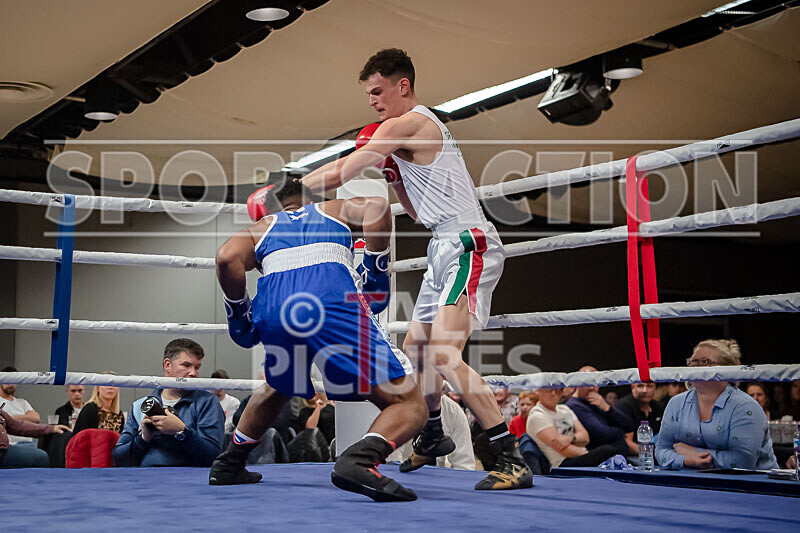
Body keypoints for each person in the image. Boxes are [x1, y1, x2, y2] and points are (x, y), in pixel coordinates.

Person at [300, 48, 531, 491]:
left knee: (443, 354)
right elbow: (414, 211)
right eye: (368, 94)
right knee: (416, 346)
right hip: (441, 243)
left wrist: (289, 189)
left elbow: (346, 168)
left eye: (377, 91)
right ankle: (432, 432)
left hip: (468, 243)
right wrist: (394, 172)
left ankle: (509, 455)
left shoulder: (410, 122)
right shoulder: (405, 137)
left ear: (402, 85)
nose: (372, 101)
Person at [208, 177, 428, 502]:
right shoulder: (332, 210)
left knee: (279, 385)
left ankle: (229, 464)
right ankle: (359, 461)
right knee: (409, 403)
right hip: (332, 301)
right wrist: (375, 268)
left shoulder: (261, 228)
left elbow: (226, 257)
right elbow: (378, 208)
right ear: (310, 199)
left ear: (272, 208)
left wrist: (238, 311)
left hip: (278, 309)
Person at [656, 339, 778, 470]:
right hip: (689, 480)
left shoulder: (746, 407)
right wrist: (686, 460)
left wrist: (693, 452)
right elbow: (661, 450)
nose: (695, 367)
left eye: (705, 362)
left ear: (727, 370)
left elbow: (742, 461)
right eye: (692, 361)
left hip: (750, 481)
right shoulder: (676, 403)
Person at [113, 339, 225, 467]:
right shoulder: (141, 405)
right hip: (146, 477)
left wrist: (182, 432)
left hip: (190, 478)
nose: (193, 373)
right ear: (167, 365)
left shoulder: (207, 402)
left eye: (197, 367)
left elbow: (211, 458)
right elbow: (119, 460)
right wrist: (143, 439)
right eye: (186, 365)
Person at [527, 387, 619, 468]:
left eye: (558, 390)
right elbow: (563, 450)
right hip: (562, 464)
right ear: (538, 392)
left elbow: (585, 438)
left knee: (614, 452)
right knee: (609, 451)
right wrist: (586, 452)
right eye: (549, 390)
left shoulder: (564, 409)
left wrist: (570, 438)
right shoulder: (537, 415)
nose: (554, 393)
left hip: (579, 456)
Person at [566, 366, 633, 455]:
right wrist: (621, 433)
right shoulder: (574, 406)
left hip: (619, 454)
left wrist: (607, 408)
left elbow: (628, 425)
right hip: (599, 457)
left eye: (595, 383)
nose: (591, 387)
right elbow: (602, 434)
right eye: (587, 383)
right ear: (577, 383)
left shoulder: (599, 401)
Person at [1, 405, 69, 468]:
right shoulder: (62, 410)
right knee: (40, 457)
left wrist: (51, 428)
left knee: (41, 454)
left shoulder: (2, 413)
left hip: (6, 449)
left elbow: (17, 426)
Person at [615, 382, 665, 454]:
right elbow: (625, 441)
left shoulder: (658, 407)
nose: (645, 390)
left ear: (655, 388)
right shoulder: (623, 406)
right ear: (633, 387)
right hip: (630, 455)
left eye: (649, 386)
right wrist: (649, 454)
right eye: (640, 386)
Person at [0, 367, 41, 448]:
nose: (11, 384)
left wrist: (8, 419)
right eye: (8, 381)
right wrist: (25, 417)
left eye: (14, 381)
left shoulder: (22, 402)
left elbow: (36, 418)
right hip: (11, 445)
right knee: (41, 454)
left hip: (29, 442)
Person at [211, 369, 241, 433]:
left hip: (227, 435)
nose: (219, 388)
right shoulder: (206, 403)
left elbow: (236, 424)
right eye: (217, 385)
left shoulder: (234, 403)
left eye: (222, 385)